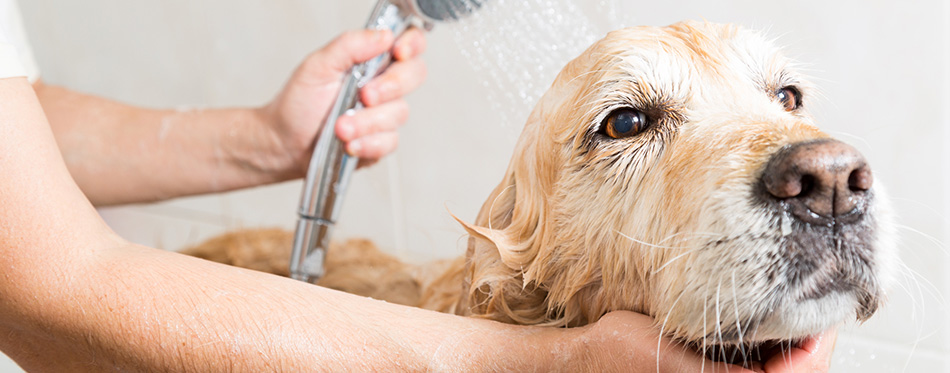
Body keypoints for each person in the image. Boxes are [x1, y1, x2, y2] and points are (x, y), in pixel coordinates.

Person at [0, 1, 836, 371]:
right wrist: (551, 366)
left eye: (785, 96)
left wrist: (261, 142)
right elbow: (41, 291)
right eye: (627, 122)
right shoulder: (527, 328)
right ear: (528, 276)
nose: (814, 162)